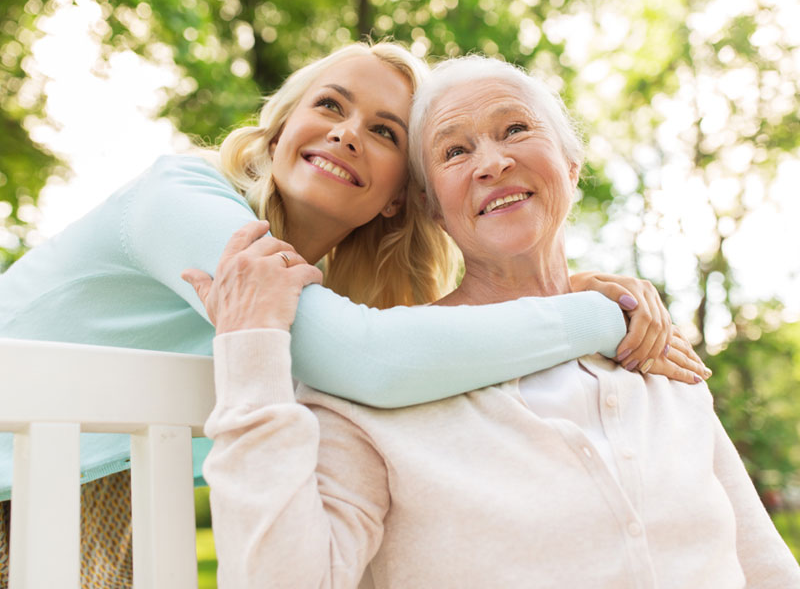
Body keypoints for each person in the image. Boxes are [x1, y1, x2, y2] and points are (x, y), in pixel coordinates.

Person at [0, 42, 698, 586]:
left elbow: (402, 354)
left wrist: (551, 292)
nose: (347, 133)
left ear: (402, 196)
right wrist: (606, 316)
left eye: (386, 131)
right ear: (277, 134)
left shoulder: (327, 312)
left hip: (95, 522)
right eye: (331, 106)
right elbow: (369, 359)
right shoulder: (174, 196)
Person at [197, 55, 800, 587]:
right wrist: (251, 351)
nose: (493, 162)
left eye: (515, 129)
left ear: (570, 165)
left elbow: (766, 570)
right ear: (430, 207)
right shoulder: (376, 387)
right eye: (455, 151)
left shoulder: (654, 354)